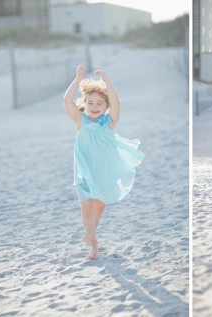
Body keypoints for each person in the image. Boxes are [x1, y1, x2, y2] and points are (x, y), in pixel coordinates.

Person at [62, 65, 145, 260]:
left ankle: (89, 234)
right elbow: (66, 100)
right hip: (83, 169)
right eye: (90, 103)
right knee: (86, 205)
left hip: (102, 170)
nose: (95, 107)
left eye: (100, 103)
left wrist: (106, 79)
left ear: (105, 106)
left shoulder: (109, 122)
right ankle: (94, 244)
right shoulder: (80, 120)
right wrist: (78, 78)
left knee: (99, 205)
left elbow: (117, 101)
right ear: (85, 103)